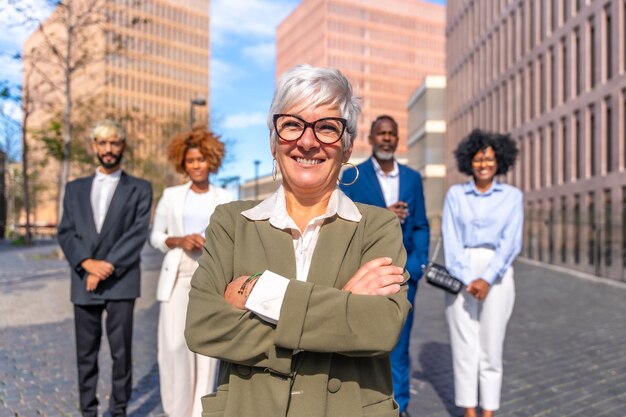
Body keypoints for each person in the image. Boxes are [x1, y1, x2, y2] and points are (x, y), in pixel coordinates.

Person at [185, 64, 412, 417]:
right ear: (274, 141)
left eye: (326, 127)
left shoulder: (378, 226)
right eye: (292, 124)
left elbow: (381, 328)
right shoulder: (231, 222)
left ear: (347, 146)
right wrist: (344, 304)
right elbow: (203, 326)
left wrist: (259, 291)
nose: (307, 141)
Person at [57, 119, 152, 417]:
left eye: (114, 143)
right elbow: (66, 231)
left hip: (120, 280)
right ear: (94, 147)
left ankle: (119, 409)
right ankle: (88, 411)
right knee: (86, 353)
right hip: (83, 278)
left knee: (120, 352)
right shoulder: (74, 189)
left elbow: (137, 233)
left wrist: (105, 267)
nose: (109, 149)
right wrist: (87, 264)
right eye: (103, 143)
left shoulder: (140, 188)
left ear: (122, 146)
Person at [340, 114, 429, 417]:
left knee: (400, 346)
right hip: (367, 274)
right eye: (382, 133)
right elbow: (344, 221)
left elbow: (421, 225)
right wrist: (384, 214)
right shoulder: (353, 176)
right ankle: (369, 405)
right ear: (372, 138)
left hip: (405, 276)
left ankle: (400, 406)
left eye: (392, 133)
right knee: (367, 344)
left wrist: (418, 266)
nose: (387, 138)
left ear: (397, 138)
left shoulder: (413, 179)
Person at [150, 126, 233, 417]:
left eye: (201, 159)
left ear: (211, 160)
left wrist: (216, 243)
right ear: (182, 164)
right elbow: (156, 237)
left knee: (207, 351)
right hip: (177, 276)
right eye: (190, 161)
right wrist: (178, 240)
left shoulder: (225, 196)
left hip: (211, 277)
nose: (196, 166)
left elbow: (234, 239)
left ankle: (201, 412)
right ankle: (176, 412)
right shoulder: (171, 196)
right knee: (174, 347)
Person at [441, 129, 522, 417]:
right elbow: (450, 240)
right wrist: (468, 278)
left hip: (497, 272)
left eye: (488, 158)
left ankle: (488, 409)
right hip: (460, 267)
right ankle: (469, 410)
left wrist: (487, 278)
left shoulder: (512, 197)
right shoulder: (455, 194)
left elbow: (511, 242)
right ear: (468, 162)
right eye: (477, 159)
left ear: (499, 160)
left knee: (491, 343)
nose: (483, 164)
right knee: (464, 345)